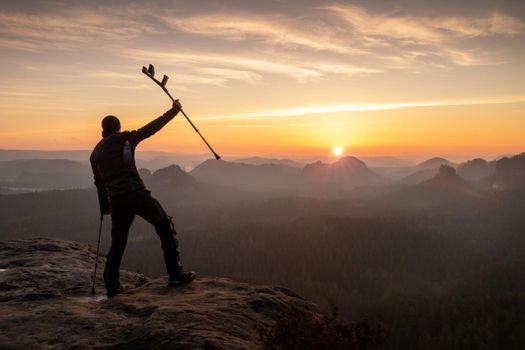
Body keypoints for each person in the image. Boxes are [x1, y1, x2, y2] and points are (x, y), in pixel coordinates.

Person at [90, 100, 195, 299]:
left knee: (118, 243)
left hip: (117, 201)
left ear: (103, 130)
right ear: (118, 127)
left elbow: (99, 183)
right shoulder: (125, 138)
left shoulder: (95, 153)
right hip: (136, 194)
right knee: (165, 226)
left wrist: (105, 206)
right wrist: (173, 112)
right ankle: (175, 274)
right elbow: (151, 129)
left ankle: (112, 287)